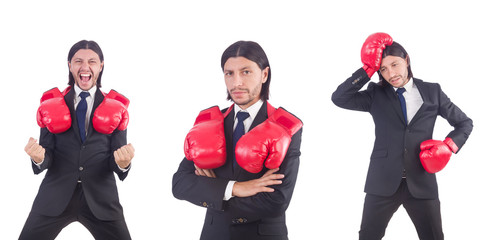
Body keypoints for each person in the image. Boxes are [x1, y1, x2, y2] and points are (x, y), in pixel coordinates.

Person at [332, 33, 473, 239]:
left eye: (395, 65)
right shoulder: (375, 94)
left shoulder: (432, 91)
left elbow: (464, 123)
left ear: (406, 60)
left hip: (422, 182)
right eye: (383, 69)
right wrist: (367, 70)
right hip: (382, 181)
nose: (391, 73)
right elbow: (339, 98)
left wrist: (448, 146)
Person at [172, 40, 303, 240]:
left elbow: (277, 200)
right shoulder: (209, 121)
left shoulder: (286, 125)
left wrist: (214, 192)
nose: (236, 83)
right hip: (214, 235)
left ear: (264, 74)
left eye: (246, 72)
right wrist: (235, 188)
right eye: (229, 73)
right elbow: (180, 184)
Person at [20, 40, 135, 240]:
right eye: (78, 61)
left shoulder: (116, 107)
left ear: (101, 65)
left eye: (92, 61)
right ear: (70, 65)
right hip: (54, 196)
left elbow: (116, 158)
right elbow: (47, 154)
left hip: (101, 199)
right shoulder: (51, 104)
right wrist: (38, 157)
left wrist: (123, 164)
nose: (85, 66)